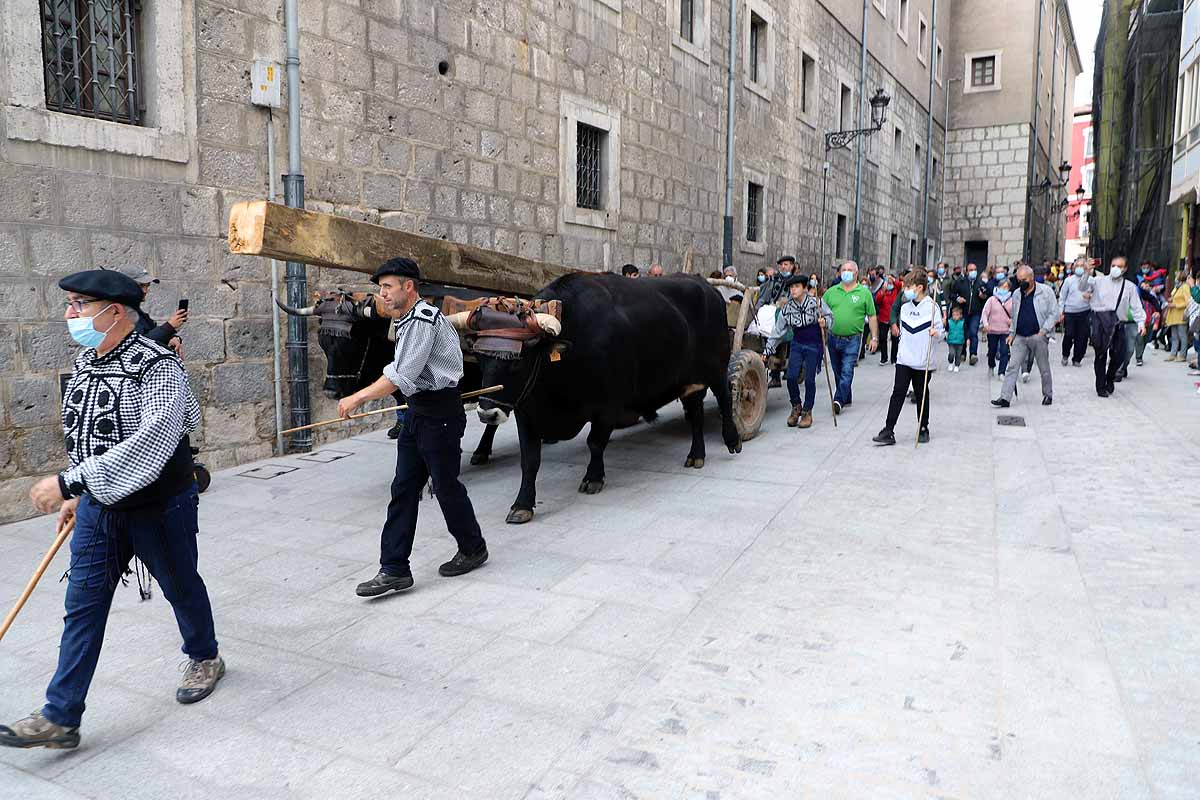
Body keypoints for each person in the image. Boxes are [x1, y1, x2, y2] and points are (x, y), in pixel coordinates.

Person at [1, 270, 221, 751]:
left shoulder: (158, 366)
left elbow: (155, 440)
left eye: (78, 304)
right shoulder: (84, 363)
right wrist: (81, 494)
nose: (70, 315)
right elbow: (86, 434)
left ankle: (205, 656)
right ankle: (61, 715)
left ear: (114, 311)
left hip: (158, 506)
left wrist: (67, 482)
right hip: (101, 509)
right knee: (82, 606)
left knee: (180, 585)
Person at [338, 258, 488, 597]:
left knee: (446, 486)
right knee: (403, 488)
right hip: (418, 413)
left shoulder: (422, 320)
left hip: (440, 415)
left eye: (388, 287)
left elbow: (401, 375)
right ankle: (394, 569)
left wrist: (357, 398)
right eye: (381, 289)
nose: (383, 295)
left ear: (409, 286)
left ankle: (473, 547)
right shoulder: (405, 320)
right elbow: (402, 372)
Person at [873, 267, 944, 446]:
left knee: (921, 394)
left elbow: (942, 333)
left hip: (922, 361)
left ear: (919, 288)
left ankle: (923, 427)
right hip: (904, 359)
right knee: (897, 393)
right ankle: (888, 430)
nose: (905, 290)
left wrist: (937, 333)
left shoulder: (932, 306)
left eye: (908, 286)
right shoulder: (905, 308)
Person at [991, 264, 1059, 408]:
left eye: (1024, 279)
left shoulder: (1046, 292)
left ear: (1031, 278)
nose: (1021, 282)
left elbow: (1054, 313)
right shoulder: (1016, 293)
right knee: (1012, 366)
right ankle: (1005, 398)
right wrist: (1012, 333)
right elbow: (1015, 315)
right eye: (1019, 279)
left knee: (1043, 367)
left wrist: (1044, 330)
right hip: (1020, 337)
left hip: (1038, 335)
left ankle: (1048, 394)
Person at [822, 261, 878, 414]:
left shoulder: (864, 293)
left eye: (849, 270)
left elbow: (872, 316)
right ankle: (847, 396)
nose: (846, 272)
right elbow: (821, 311)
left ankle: (838, 399)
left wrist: (874, 338)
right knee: (838, 370)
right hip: (833, 337)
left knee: (847, 370)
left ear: (856, 273)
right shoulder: (831, 292)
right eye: (844, 270)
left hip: (853, 339)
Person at [1089, 256, 1146, 397]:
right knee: (1100, 355)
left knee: (1119, 355)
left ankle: (1110, 377)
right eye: (1113, 265)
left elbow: (1136, 307)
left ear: (1125, 269)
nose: (1115, 268)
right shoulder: (1098, 281)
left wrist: (1141, 323)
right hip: (1100, 324)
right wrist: (1087, 271)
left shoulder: (1129, 287)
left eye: (1119, 266)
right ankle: (1101, 386)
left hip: (1118, 324)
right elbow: (1082, 286)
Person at [782, 275, 832, 429]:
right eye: (791, 287)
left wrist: (825, 322)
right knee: (791, 377)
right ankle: (796, 406)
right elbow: (778, 330)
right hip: (797, 343)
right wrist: (768, 349)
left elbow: (830, 317)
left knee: (809, 380)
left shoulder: (816, 302)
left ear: (804, 288)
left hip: (813, 344)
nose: (793, 290)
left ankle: (807, 411)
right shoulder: (788, 308)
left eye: (797, 286)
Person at [105, 265, 187, 356]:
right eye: (141, 285)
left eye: (147, 286)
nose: (145, 291)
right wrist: (169, 326)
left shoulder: (135, 310)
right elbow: (138, 345)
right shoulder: (119, 312)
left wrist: (173, 338)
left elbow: (151, 332)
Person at [950, 263, 987, 365]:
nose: (973, 272)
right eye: (971, 270)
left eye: (975, 269)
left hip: (975, 312)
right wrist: (958, 298)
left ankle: (973, 354)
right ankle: (963, 353)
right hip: (963, 311)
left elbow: (986, 298)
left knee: (973, 333)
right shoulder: (960, 282)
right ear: (966, 271)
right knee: (964, 333)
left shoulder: (980, 283)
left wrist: (983, 296)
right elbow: (952, 294)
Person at [1058, 258, 1093, 367]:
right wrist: (1061, 311)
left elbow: (1096, 294)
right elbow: (1062, 296)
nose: (1079, 268)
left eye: (1082, 266)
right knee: (1069, 334)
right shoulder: (1068, 280)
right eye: (1077, 266)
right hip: (1070, 311)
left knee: (1082, 337)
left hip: (1085, 311)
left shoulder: (1090, 280)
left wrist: (1090, 297)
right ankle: (1065, 354)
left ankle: (1077, 358)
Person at [980, 278, 1014, 379]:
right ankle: (991, 365)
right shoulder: (992, 300)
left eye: (1006, 287)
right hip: (992, 330)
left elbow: (1014, 315)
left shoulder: (1011, 301)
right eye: (1002, 287)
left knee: (1004, 351)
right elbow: (985, 313)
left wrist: (1011, 324)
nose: (1004, 289)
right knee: (992, 350)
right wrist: (985, 324)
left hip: (1005, 331)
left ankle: (1001, 372)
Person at [874, 272, 901, 365]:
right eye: (887, 280)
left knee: (895, 339)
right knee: (882, 338)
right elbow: (877, 300)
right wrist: (883, 291)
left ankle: (894, 358)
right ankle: (884, 358)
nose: (889, 282)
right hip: (883, 318)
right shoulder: (882, 291)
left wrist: (893, 279)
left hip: (894, 318)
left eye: (890, 280)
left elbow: (900, 284)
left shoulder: (897, 290)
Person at [1165, 270, 1191, 362]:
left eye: (1176, 276)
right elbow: (1176, 297)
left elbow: (1188, 302)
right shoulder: (1177, 287)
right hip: (1173, 316)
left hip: (1181, 315)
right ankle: (1173, 354)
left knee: (1182, 336)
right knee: (1174, 336)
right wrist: (1171, 299)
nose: (1175, 278)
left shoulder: (1185, 287)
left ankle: (1183, 355)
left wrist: (1175, 305)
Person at [946, 306, 966, 372]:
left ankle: (957, 365)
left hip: (960, 341)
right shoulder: (949, 322)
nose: (955, 316)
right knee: (951, 353)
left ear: (960, 315)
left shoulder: (963, 322)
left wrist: (967, 339)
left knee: (958, 354)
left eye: (957, 315)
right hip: (951, 341)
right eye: (954, 315)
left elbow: (966, 331)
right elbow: (946, 329)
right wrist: (946, 335)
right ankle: (950, 363)